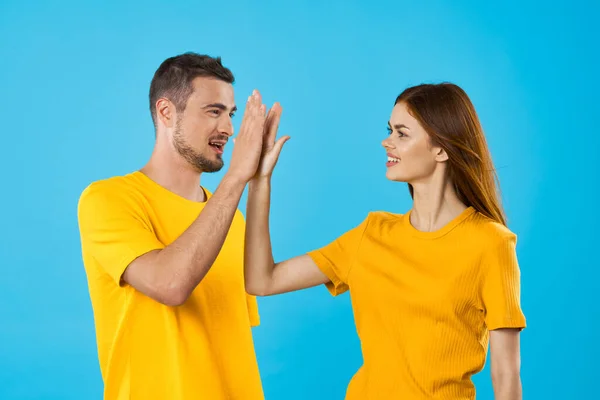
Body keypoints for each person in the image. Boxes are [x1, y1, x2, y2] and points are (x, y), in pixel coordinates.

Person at [244, 83, 526, 399]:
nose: (386, 142)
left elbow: (505, 374)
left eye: (401, 134)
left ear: (441, 149)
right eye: (389, 130)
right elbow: (261, 280)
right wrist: (259, 180)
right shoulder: (371, 234)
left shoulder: (491, 243)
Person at [77, 52, 278, 400]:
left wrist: (257, 182)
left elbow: (226, 341)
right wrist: (236, 177)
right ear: (166, 112)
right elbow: (170, 285)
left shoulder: (232, 218)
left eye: (231, 114)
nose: (230, 129)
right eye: (213, 111)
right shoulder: (108, 199)